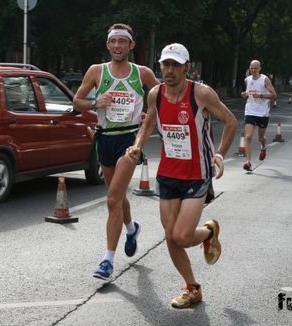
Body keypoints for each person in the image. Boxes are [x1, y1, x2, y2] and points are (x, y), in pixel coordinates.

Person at [126, 43, 237, 308]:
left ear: (188, 68)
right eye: (166, 64)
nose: (170, 70)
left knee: (183, 236)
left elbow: (230, 121)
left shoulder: (201, 94)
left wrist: (220, 154)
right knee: (170, 235)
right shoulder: (156, 94)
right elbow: (149, 121)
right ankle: (192, 288)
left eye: (176, 65)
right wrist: (138, 145)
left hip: (196, 174)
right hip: (167, 173)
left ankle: (208, 232)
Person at [73, 23, 159, 280]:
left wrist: (149, 114)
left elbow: (160, 96)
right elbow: (77, 103)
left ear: (131, 45)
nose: (118, 46)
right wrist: (95, 103)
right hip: (104, 140)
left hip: (129, 140)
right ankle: (132, 229)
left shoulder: (141, 73)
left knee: (112, 200)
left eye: (123, 41)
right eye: (114, 41)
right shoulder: (96, 71)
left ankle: (107, 261)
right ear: (108, 44)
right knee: (118, 197)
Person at [240, 60, 277, 171]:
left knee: (260, 137)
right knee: (248, 136)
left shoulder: (264, 79)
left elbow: (274, 95)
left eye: (256, 68)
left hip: (262, 112)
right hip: (250, 110)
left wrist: (261, 95)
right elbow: (246, 93)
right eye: (251, 68)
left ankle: (263, 146)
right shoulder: (247, 80)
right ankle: (248, 162)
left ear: (260, 68)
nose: (253, 70)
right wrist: (243, 94)